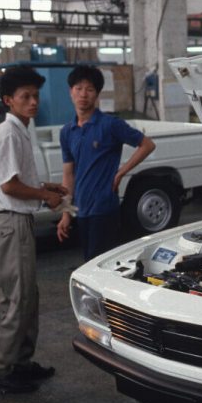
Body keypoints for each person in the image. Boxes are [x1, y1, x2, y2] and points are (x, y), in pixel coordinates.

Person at [0, 66, 68, 393]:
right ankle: (1, 370)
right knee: (18, 300)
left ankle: (20, 362)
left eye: (35, 96)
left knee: (27, 297)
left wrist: (47, 186)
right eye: (25, 97)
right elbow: (8, 186)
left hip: (18, 223)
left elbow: (18, 179)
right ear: (9, 100)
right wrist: (43, 196)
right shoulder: (7, 133)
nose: (33, 102)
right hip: (11, 224)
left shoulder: (20, 129)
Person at [56, 65, 156, 260]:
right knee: (89, 261)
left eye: (90, 89)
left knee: (99, 262)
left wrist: (121, 172)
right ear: (70, 92)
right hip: (81, 210)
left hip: (103, 209)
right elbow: (68, 175)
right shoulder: (67, 132)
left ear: (97, 94)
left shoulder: (110, 124)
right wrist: (65, 212)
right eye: (78, 88)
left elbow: (147, 145)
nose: (83, 94)